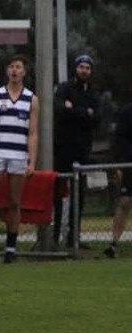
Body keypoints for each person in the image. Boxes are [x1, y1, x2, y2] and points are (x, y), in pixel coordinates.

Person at [0, 54, 40, 264]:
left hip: (18, 153)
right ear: (7, 71)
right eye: (11, 67)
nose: (15, 71)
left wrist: (32, 161)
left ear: (24, 72)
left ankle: (10, 249)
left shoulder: (31, 99)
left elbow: (33, 132)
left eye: (18, 67)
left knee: (15, 202)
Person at [53, 54, 102, 249]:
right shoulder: (65, 88)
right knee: (58, 190)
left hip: (82, 150)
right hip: (63, 147)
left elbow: (97, 118)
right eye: (81, 67)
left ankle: (75, 236)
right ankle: (55, 234)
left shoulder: (94, 92)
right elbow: (59, 110)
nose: (84, 70)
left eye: (87, 68)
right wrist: (84, 112)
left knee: (79, 193)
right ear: (76, 68)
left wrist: (74, 110)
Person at [104, 99, 132, 258]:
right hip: (130, 164)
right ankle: (114, 244)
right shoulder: (126, 112)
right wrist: (121, 164)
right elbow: (120, 139)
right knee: (125, 202)